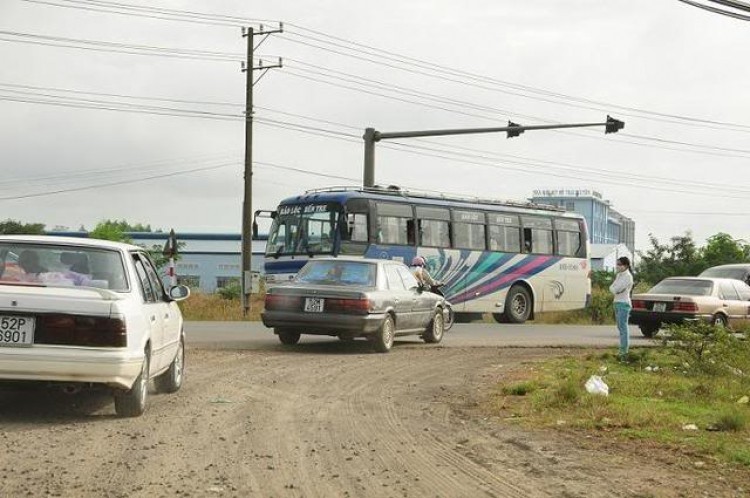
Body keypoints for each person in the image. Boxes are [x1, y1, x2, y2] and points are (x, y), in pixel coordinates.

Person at [609, 256, 634, 361]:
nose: (618, 266)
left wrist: (614, 289)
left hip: (624, 304)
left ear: (626, 265)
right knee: (620, 327)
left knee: (623, 329)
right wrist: (614, 289)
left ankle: (624, 351)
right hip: (617, 303)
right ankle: (622, 350)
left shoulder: (628, 277)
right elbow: (611, 287)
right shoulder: (619, 275)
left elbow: (616, 289)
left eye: (620, 264)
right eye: (617, 264)